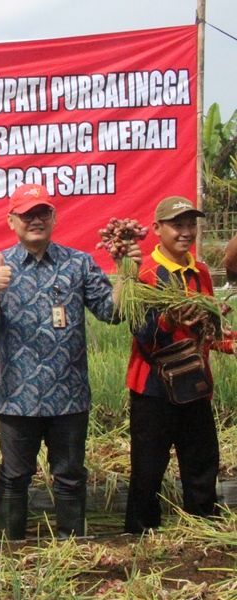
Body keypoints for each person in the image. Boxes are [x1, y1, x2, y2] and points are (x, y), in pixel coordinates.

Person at [0, 184, 138, 540]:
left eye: (42, 213)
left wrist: (128, 275)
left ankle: (71, 548)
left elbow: (111, 312)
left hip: (68, 396)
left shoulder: (78, 264)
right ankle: (12, 548)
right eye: (27, 215)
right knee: (14, 476)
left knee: (70, 476)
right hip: (16, 396)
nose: (35, 221)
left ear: (54, 217)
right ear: (11, 221)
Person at [123, 196, 231, 533]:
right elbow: (142, 334)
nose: (186, 232)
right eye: (177, 225)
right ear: (157, 229)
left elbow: (206, 330)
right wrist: (169, 320)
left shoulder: (200, 272)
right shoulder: (143, 274)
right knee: (148, 468)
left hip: (195, 384)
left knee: (202, 464)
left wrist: (227, 340)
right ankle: (140, 535)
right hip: (153, 388)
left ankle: (202, 531)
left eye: (190, 225)